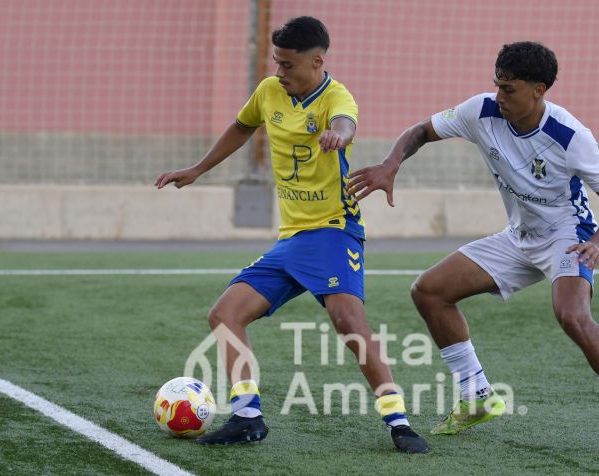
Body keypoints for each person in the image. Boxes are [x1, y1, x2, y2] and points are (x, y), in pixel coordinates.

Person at [346, 41, 599, 456]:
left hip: (568, 234)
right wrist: (391, 164)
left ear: (539, 90)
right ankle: (477, 396)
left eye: (509, 89)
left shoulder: (569, 135)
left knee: (572, 315)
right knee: (429, 290)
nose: (500, 96)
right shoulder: (481, 111)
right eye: (497, 85)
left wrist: (598, 244)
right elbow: (420, 131)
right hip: (519, 235)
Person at [156, 16, 428, 453]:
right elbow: (243, 127)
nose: (280, 73)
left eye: (288, 65)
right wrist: (198, 169)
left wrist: (338, 137)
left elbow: (346, 122)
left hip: (333, 232)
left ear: (317, 61)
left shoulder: (337, 97)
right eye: (276, 63)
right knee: (225, 314)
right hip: (292, 240)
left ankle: (398, 422)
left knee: (348, 321)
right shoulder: (268, 91)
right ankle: (247, 416)